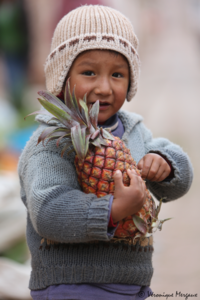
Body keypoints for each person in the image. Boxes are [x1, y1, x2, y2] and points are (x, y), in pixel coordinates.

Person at [18, 5, 193, 300]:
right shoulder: (51, 142)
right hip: (70, 287)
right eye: (89, 72)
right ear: (62, 77)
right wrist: (112, 211)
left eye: (117, 74)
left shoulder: (134, 129)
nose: (104, 87)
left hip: (134, 285)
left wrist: (165, 164)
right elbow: (47, 211)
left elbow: (181, 178)